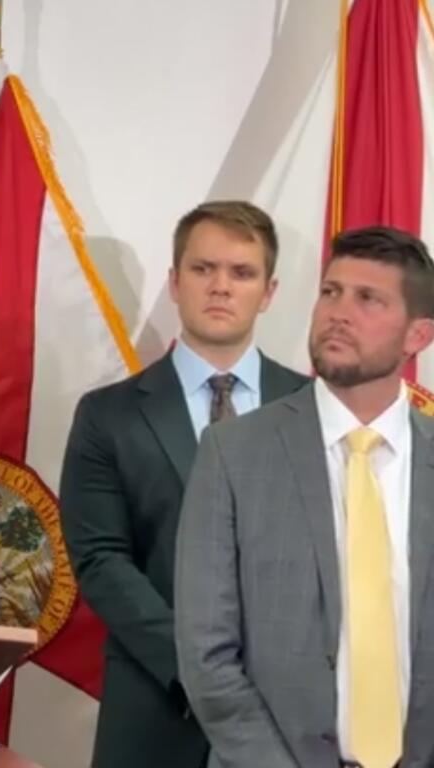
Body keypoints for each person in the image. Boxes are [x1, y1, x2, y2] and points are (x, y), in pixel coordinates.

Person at [59, 201, 308, 768]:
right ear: (175, 283)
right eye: (203, 269)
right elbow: (101, 559)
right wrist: (201, 670)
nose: (220, 286)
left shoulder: (313, 410)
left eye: (241, 273)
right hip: (155, 703)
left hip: (288, 719)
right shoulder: (108, 415)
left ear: (268, 292)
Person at [175, 226, 434, 767]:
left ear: (418, 335)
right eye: (330, 291)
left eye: (369, 299)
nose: (339, 312)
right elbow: (208, 655)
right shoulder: (233, 453)